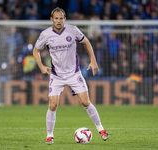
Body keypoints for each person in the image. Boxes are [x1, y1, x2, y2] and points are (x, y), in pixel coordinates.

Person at [33, 7, 109, 144]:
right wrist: (41, 66)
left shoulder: (73, 30)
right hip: (56, 75)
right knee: (52, 105)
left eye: (61, 18)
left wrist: (93, 60)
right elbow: (36, 50)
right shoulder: (45, 34)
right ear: (51, 20)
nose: (58, 21)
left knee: (86, 102)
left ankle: (101, 129)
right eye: (56, 18)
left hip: (74, 73)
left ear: (64, 19)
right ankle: (49, 135)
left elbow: (86, 42)